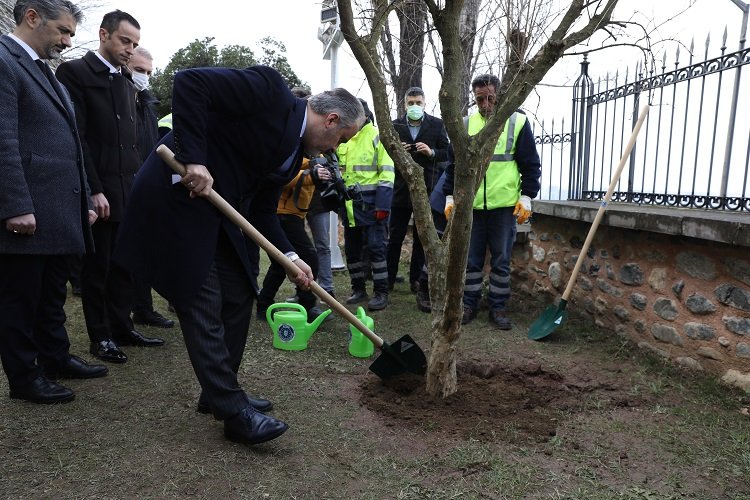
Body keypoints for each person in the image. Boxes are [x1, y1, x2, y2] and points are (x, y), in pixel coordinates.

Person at [113, 65, 364, 446]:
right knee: (203, 298)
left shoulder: (293, 157)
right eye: (342, 138)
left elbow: (264, 212)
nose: (337, 149)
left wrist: (291, 255)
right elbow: (189, 82)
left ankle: (216, 391)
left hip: (218, 218)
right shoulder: (269, 91)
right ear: (331, 119)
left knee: (240, 293)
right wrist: (195, 158)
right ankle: (232, 410)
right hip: (176, 201)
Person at [0, 0, 108, 404]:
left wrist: (85, 198)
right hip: (29, 208)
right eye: (62, 31)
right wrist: (13, 204)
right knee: (20, 298)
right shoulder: (4, 60)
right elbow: (3, 140)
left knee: (51, 293)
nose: (67, 40)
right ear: (32, 18)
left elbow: (73, 147)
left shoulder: (46, 73)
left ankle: (55, 356)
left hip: (59, 207)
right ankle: (25, 378)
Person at [56, 9, 164, 365]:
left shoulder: (125, 80)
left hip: (128, 190)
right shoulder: (75, 73)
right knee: (98, 269)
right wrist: (94, 189)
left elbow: (132, 142)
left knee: (124, 266)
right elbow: (79, 137)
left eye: (134, 43)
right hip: (100, 191)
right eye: (124, 40)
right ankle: (100, 337)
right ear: (104, 35)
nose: (130, 49)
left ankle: (122, 327)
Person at [438, 74, 541, 329]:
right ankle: (470, 303)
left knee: (501, 260)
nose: (485, 105)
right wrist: (450, 196)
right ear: (474, 98)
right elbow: (453, 166)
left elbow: (530, 164)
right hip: (471, 207)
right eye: (480, 99)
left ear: (499, 96)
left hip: (504, 207)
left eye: (490, 99)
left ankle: (498, 307)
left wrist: (527, 196)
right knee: (471, 261)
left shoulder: (517, 123)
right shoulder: (464, 124)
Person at [387, 86, 450, 305]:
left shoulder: (436, 124)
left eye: (418, 103)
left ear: (425, 104)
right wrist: (398, 153)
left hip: (427, 189)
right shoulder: (395, 126)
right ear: (405, 104)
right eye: (411, 103)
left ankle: (416, 279)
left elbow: (447, 152)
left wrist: (430, 152)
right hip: (400, 190)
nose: (415, 107)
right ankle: (388, 278)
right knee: (394, 236)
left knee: (422, 238)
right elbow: (386, 154)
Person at [126, 46, 174, 329]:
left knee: (145, 250)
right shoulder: (118, 100)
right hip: (120, 184)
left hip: (143, 185)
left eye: (148, 72)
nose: (144, 77)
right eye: (139, 70)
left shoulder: (147, 105)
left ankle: (142, 308)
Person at [337, 99, 395, 311]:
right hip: (350, 205)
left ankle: (381, 292)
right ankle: (358, 288)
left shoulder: (377, 136)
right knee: (352, 250)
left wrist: (383, 205)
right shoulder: (344, 137)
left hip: (373, 205)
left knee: (377, 248)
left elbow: (387, 174)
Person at [256, 157, 329, 321]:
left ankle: (264, 305)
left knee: (279, 264)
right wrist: (312, 174)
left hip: (295, 214)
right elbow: (283, 176)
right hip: (283, 214)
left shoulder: (316, 154)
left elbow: (306, 165)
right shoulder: (293, 151)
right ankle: (308, 305)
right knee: (309, 258)